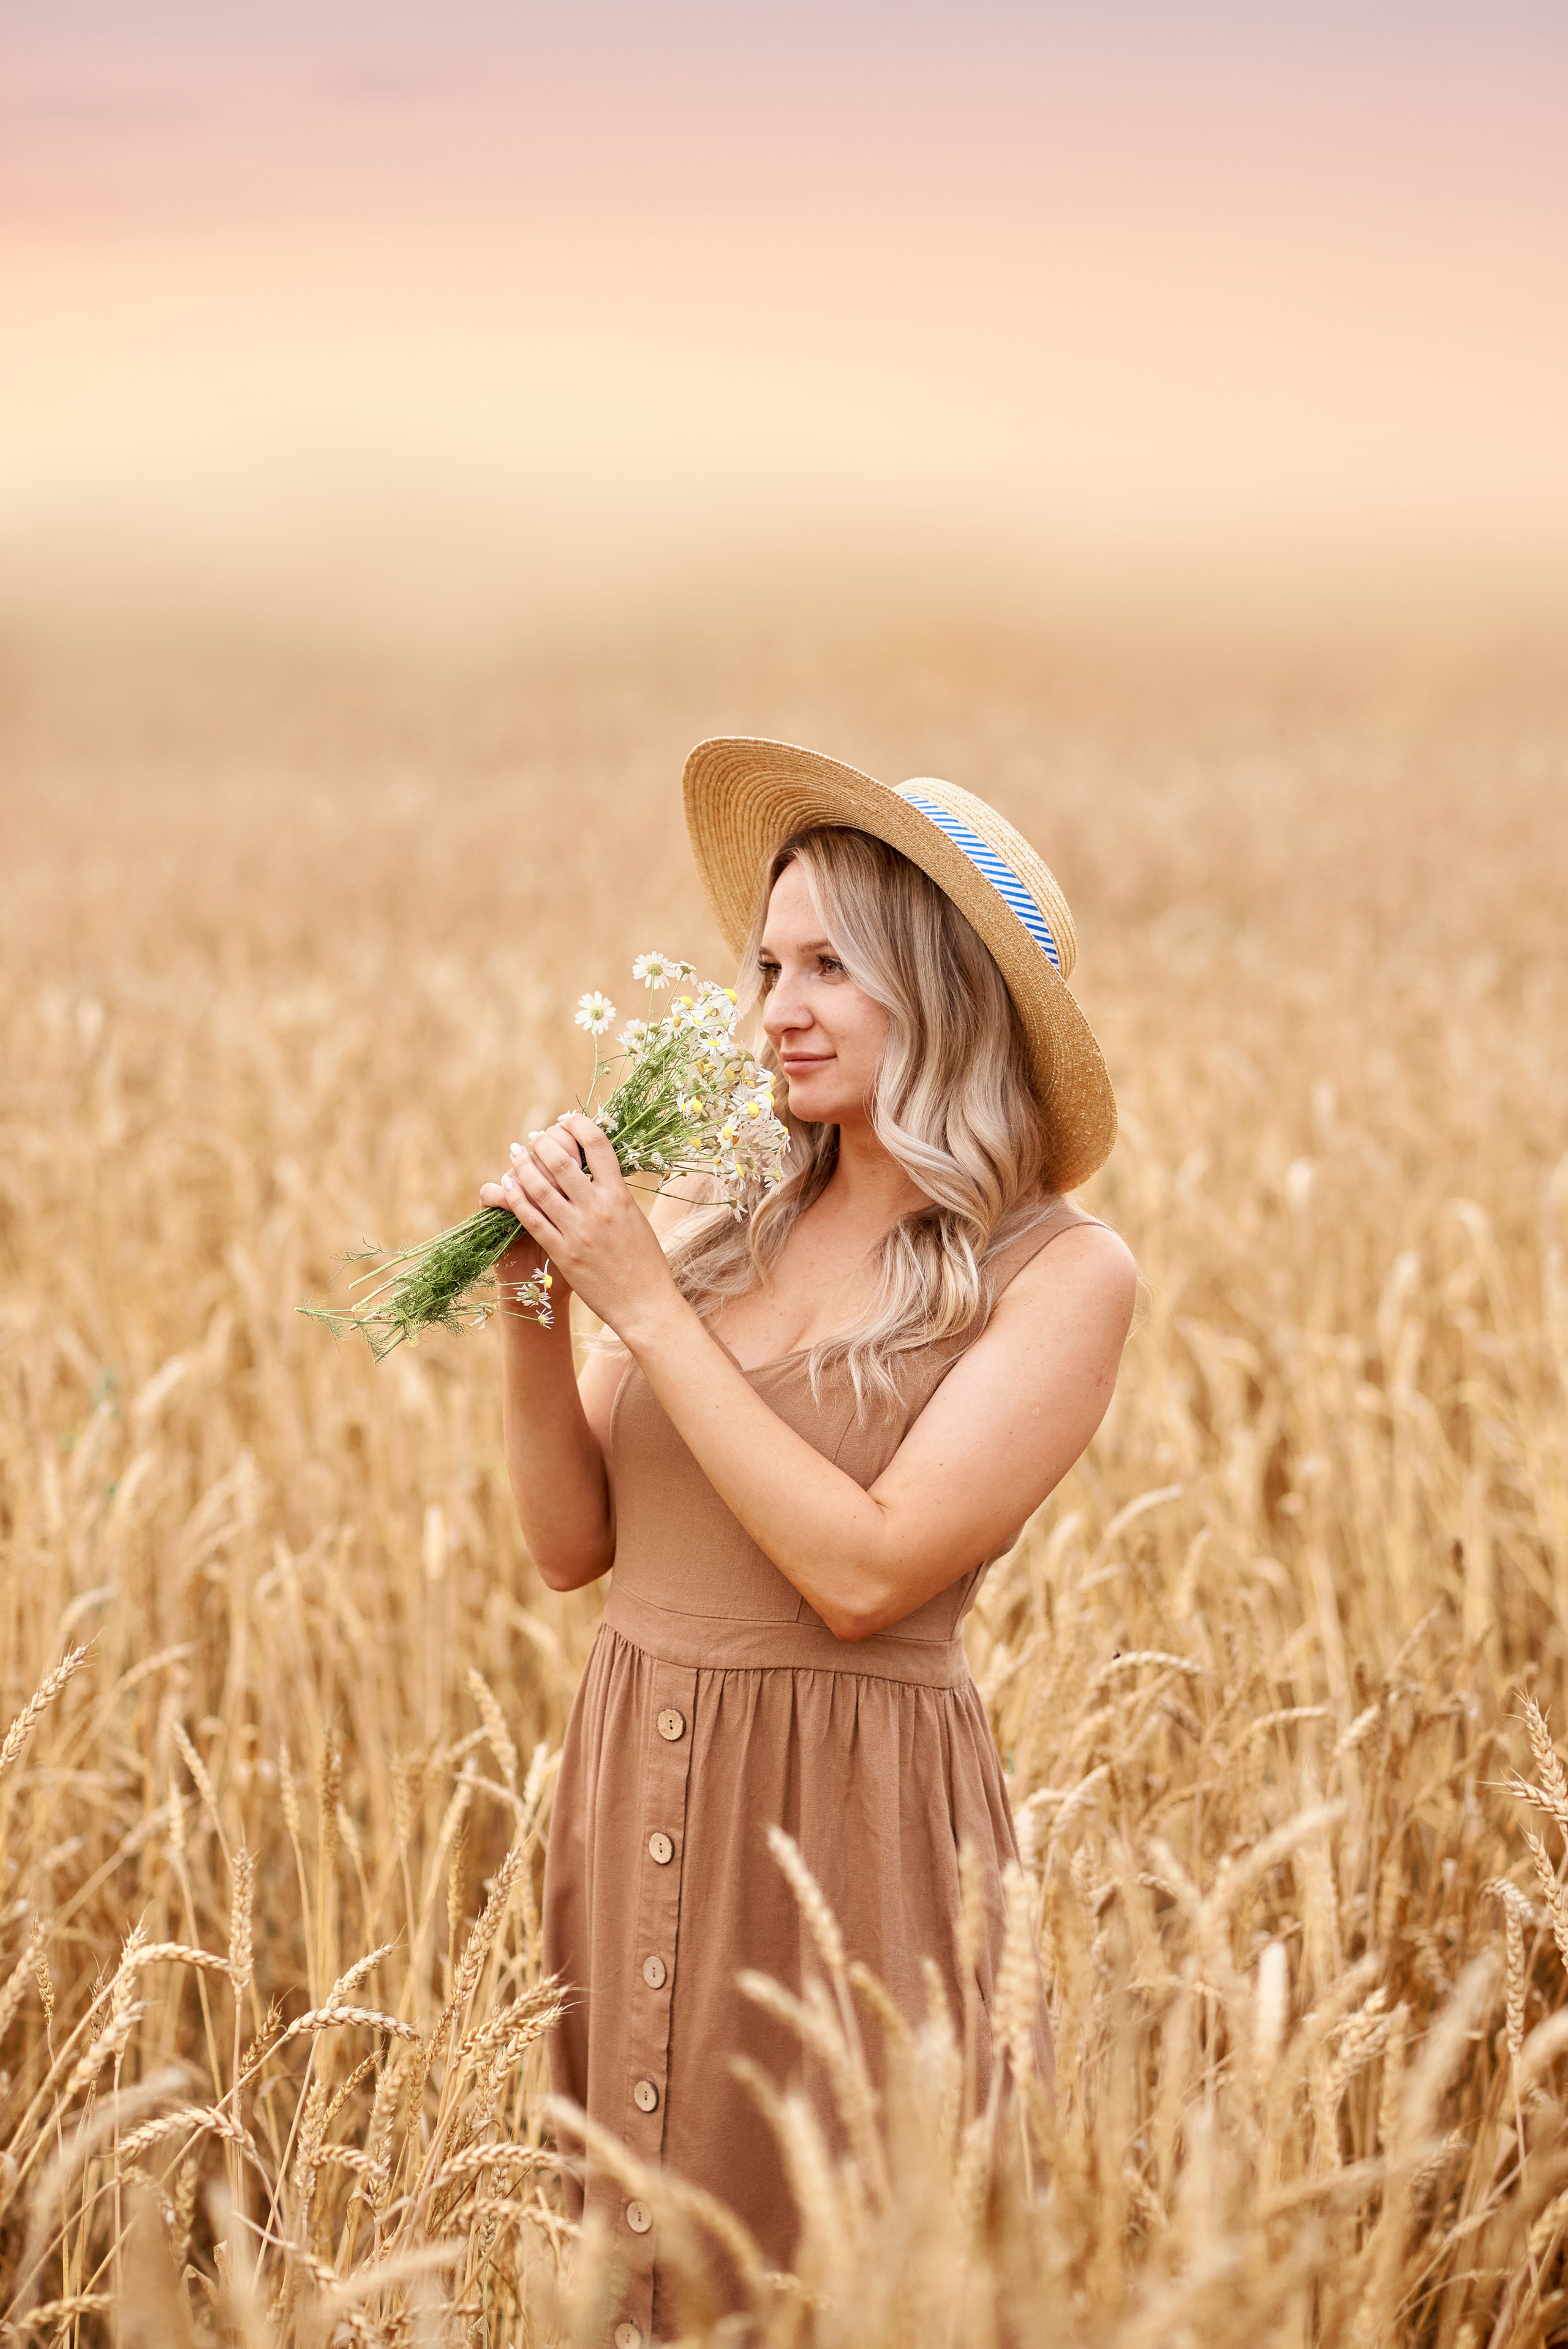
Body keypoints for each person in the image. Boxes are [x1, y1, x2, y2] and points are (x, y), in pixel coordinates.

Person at [480, 739, 1135, 2344]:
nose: (778, 1006)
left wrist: (642, 1303)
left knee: (829, 2272)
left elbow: (865, 1571)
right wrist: (533, 1304)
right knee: (622, 2277)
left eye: (832, 966)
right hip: (637, 1771)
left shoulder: (1058, 1274)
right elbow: (570, 1544)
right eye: (769, 965)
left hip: (841, 1827)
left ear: (947, 992)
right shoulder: (725, 1215)